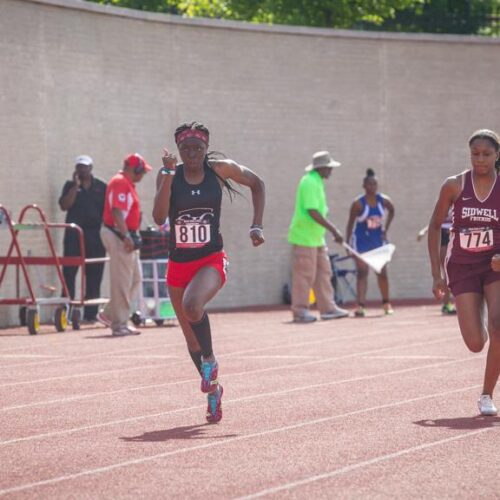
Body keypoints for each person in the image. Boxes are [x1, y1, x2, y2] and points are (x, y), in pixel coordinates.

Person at [152, 122, 265, 424]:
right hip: (179, 264)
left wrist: (257, 224)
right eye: (186, 149)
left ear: (206, 148)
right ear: (178, 150)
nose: (191, 154)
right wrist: (165, 175)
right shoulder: (169, 176)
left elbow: (257, 183)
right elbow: (159, 216)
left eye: (197, 149)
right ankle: (213, 391)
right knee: (191, 343)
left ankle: (211, 361)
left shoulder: (220, 170)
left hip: (211, 260)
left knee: (193, 305)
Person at [428, 129, 500, 416]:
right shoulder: (454, 186)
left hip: (494, 267)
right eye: (475, 154)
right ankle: (483, 320)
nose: (480, 159)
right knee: (475, 343)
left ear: (497, 156)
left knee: (499, 326)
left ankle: (486, 394)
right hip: (462, 266)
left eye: (486, 154)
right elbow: (434, 227)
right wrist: (436, 275)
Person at [287, 151, 349, 323]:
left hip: (316, 238)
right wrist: (334, 230)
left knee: (324, 272)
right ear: (321, 168)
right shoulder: (309, 182)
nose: (331, 171)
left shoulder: (317, 182)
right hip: (304, 237)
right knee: (304, 275)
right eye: (329, 167)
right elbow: (312, 211)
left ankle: (328, 308)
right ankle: (300, 310)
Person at [98, 153, 152, 336]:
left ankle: (108, 314)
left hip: (124, 234)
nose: (142, 175)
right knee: (122, 282)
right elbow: (117, 211)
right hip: (118, 234)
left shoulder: (128, 184)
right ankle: (119, 324)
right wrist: (126, 235)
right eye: (141, 171)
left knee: (135, 278)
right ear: (133, 169)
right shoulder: (120, 181)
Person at [58, 155, 107, 322]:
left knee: (94, 273)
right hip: (73, 235)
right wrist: (75, 187)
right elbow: (64, 205)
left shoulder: (102, 187)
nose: (82, 170)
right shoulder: (69, 186)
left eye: (85, 167)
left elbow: (108, 211)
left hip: (95, 235)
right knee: (69, 273)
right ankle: (67, 310)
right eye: (79, 167)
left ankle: (90, 314)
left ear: (90, 168)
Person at [345, 168, 395, 317]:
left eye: (375, 184)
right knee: (362, 273)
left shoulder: (383, 201)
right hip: (361, 242)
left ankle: (386, 303)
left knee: (382, 272)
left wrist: (385, 228)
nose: (372, 187)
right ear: (364, 186)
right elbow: (350, 224)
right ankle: (360, 306)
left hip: (377, 241)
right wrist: (348, 243)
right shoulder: (358, 204)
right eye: (370, 184)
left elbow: (392, 211)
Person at [417, 209, 456, 315]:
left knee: (454, 273)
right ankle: (447, 303)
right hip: (444, 237)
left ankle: (455, 302)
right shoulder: (445, 204)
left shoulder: (461, 203)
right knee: (448, 273)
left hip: (455, 236)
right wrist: (424, 231)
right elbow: (434, 222)